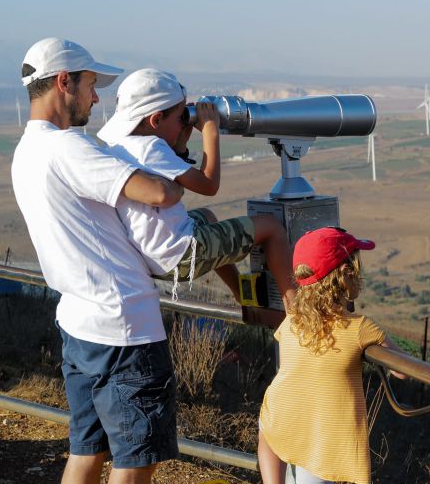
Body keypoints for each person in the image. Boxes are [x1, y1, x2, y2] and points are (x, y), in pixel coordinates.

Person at [10, 38, 196, 484]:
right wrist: (167, 169)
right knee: (134, 465)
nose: (98, 97)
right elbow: (159, 194)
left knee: (84, 454)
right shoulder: (70, 147)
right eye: (92, 85)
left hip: (77, 323)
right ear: (63, 82)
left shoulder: (25, 152)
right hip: (123, 326)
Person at [256, 226, 401, 484]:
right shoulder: (360, 328)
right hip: (319, 435)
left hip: (282, 415)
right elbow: (403, 370)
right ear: (345, 276)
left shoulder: (291, 321)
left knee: (267, 429)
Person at [98, 68, 296, 309]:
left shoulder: (121, 146)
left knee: (207, 217)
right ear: (156, 119)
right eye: (182, 116)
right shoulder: (150, 146)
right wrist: (211, 132)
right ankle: (296, 311)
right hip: (181, 255)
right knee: (271, 227)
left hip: (153, 258)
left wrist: (179, 146)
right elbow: (209, 185)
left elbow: (170, 178)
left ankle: (243, 298)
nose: (187, 121)